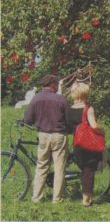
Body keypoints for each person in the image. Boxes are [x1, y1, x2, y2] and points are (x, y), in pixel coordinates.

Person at [24, 74, 69, 203]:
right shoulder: (61, 99)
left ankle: (37, 197)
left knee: (41, 166)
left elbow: (28, 119)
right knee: (59, 168)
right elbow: (69, 120)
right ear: (53, 85)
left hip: (43, 135)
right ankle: (57, 199)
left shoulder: (36, 98)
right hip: (59, 135)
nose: (57, 87)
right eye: (57, 85)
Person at [66, 81, 104, 207]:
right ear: (84, 94)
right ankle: (86, 199)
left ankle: (85, 195)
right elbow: (93, 126)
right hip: (89, 145)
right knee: (89, 171)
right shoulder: (88, 109)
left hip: (77, 144)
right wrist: (102, 129)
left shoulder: (69, 110)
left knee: (84, 170)